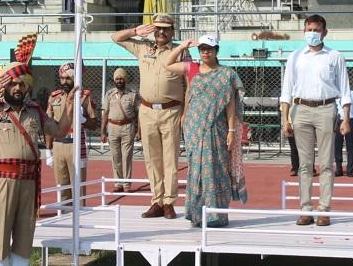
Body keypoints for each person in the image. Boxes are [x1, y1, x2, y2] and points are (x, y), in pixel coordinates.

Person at [0, 63, 75, 266]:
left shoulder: (35, 111)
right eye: (12, 84)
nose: (17, 88)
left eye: (22, 84)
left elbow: (60, 131)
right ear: (4, 86)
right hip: (2, 181)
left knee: (25, 236)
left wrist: (69, 107)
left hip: (28, 182)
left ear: (27, 87)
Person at [163, 34, 247, 227]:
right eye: (201, 49)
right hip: (193, 127)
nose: (205, 52)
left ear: (217, 50)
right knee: (196, 170)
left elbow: (230, 105)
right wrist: (182, 46)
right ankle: (196, 214)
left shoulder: (227, 74)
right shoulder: (191, 68)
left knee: (216, 168)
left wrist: (232, 130)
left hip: (216, 127)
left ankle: (216, 215)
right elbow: (167, 64)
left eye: (209, 48)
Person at [111, 13, 187, 219]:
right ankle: (157, 201)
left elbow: (188, 85)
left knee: (170, 158)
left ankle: (169, 202)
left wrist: (185, 113)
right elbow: (115, 37)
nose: (161, 32)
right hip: (146, 110)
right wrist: (135, 31)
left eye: (166, 28)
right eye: (158, 28)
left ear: (172, 31)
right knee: (151, 159)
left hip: (171, 110)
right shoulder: (143, 47)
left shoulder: (180, 52)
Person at [280, 14, 351, 227]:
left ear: (324, 32)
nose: (312, 33)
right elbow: (286, 89)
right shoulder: (295, 56)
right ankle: (305, 208)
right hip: (300, 109)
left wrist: (346, 117)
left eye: (316, 30)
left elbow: (345, 89)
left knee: (327, 163)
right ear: (303, 31)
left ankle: (324, 209)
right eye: (309, 29)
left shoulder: (334, 56)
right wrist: (285, 118)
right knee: (305, 164)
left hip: (326, 108)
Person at [45, 63, 98, 206]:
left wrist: (83, 120)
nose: (64, 82)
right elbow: (48, 124)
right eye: (62, 78)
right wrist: (48, 150)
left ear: (75, 78)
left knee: (78, 188)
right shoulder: (54, 97)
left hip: (75, 143)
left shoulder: (84, 96)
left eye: (68, 78)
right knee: (62, 187)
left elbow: (94, 124)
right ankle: (64, 218)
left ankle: (79, 219)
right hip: (58, 145)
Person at [101, 68, 139, 193]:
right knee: (115, 156)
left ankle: (126, 183)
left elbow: (139, 113)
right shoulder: (109, 94)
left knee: (127, 156)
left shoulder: (133, 94)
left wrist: (139, 131)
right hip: (112, 128)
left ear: (125, 79)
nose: (119, 81)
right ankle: (118, 183)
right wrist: (102, 131)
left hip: (128, 127)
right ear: (114, 80)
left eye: (121, 78)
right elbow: (105, 113)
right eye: (117, 78)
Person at [335, 90, 353, 177]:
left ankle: (350, 170)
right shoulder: (335, 94)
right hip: (338, 120)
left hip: (351, 120)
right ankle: (338, 169)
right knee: (337, 146)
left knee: (350, 146)